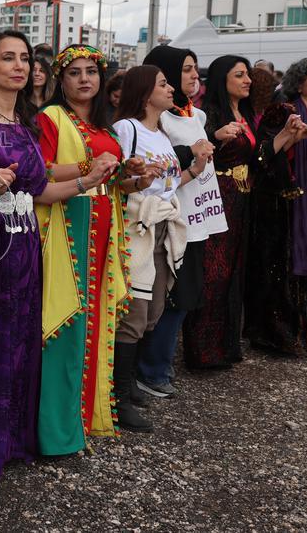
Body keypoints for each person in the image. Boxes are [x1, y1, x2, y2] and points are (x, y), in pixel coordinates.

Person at [0, 33, 114, 513]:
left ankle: (5, 448)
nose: (19, 66)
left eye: (25, 59)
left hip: (25, 247)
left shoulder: (22, 123)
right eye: (8, 58)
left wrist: (87, 179)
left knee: (20, 348)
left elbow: (41, 187)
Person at [35, 45, 136, 455]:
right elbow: (36, 170)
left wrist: (136, 180)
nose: (84, 79)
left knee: (96, 328)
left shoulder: (105, 127)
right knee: (65, 328)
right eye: (74, 72)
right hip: (66, 233)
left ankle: (82, 422)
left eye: (91, 71)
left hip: (100, 237)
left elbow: (111, 181)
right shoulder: (52, 118)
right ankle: (55, 435)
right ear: (61, 80)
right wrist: (86, 169)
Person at [111, 65, 199, 431]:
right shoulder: (127, 128)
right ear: (145, 92)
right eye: (163, 84)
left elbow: (168, 183)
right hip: (136, 227)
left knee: (154, 310)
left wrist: (196, 167)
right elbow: (118, 179)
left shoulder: (161, 135)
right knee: (133, 311)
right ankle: (116, 397)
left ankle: (128, 383)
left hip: (162, 226)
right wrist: (136, 179)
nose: (170, 89)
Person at [136, 45, 223, 398]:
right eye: (186, 69)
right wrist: (191, 154)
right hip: (171, 216)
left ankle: (161, 365)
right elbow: (164, 163)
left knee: (185, 296)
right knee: (167, 297)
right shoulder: (158, 120)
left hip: (197, 216)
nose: (192, 76)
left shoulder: (196, 115)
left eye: (195, 68)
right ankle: (150, 369)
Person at [247, 58, 307, 355]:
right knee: (289, 263)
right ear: (299, 81)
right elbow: (262, 157)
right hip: (294, 197)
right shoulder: (283, 112)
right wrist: (292, 138)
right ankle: (290, 331)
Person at [179, 55, 255, 370]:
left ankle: (226, 346)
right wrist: (216, 138)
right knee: (213, 272)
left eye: (248, 74)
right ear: (223, 80)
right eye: (239, 75)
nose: (248, 80)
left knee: (234, 273)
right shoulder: (208, 114)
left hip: (240, 200)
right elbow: (200, 151)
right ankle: (202, 350)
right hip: (215, 198)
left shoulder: (247, 113)